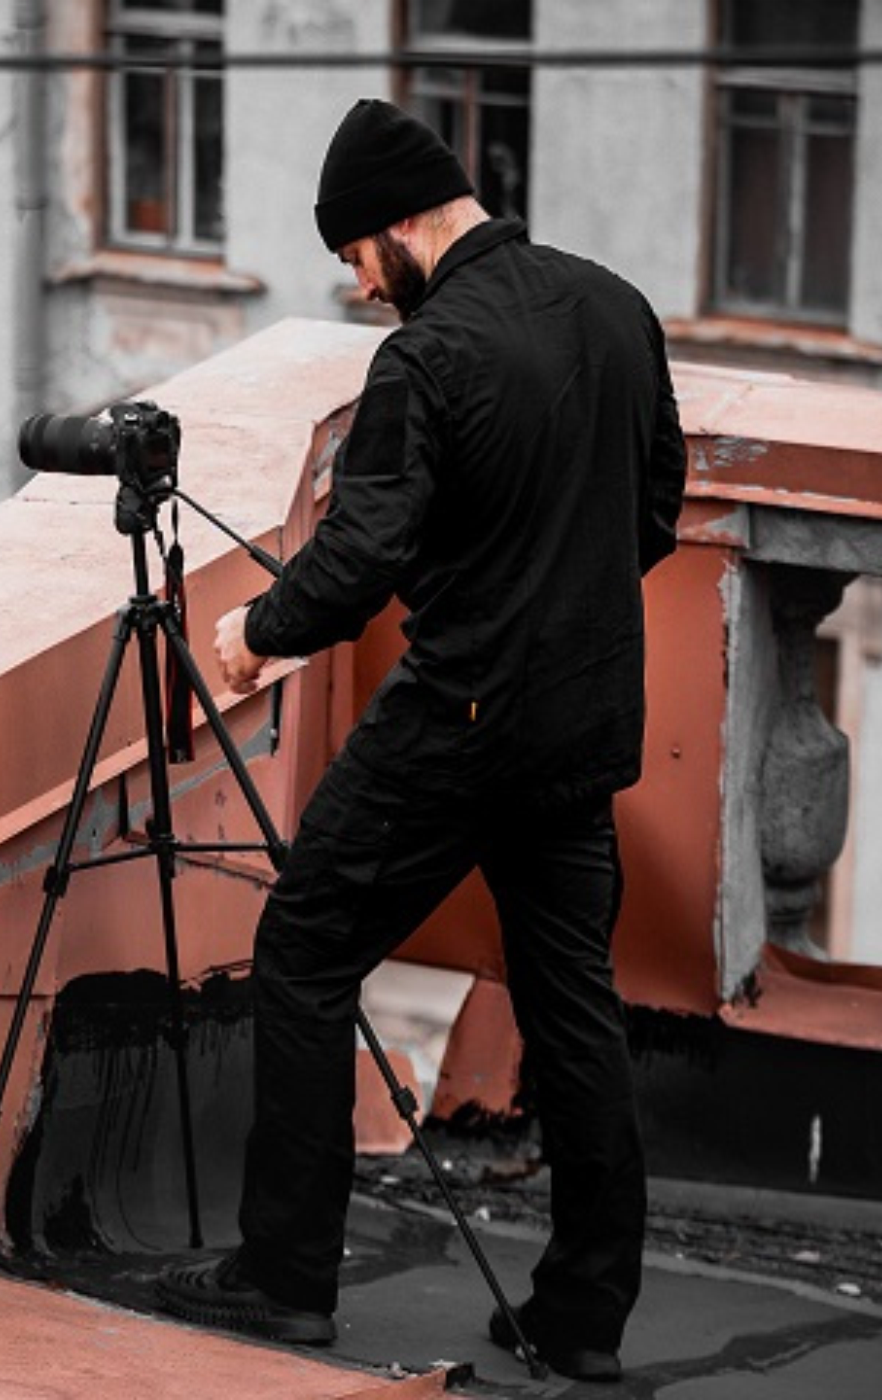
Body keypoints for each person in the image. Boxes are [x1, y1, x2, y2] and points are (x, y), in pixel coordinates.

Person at [157, 98, 687, 1384]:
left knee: (304, 946)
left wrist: (255, 634)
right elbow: (656, 510)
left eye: (355, 254)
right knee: (572, 1003)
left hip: (460, 718)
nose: (358, 282)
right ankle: (583, 1315)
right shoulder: (617, 307)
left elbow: (359, 557)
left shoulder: (425, 358)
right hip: (585, 719)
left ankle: (285, 1276)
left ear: (402, 223)